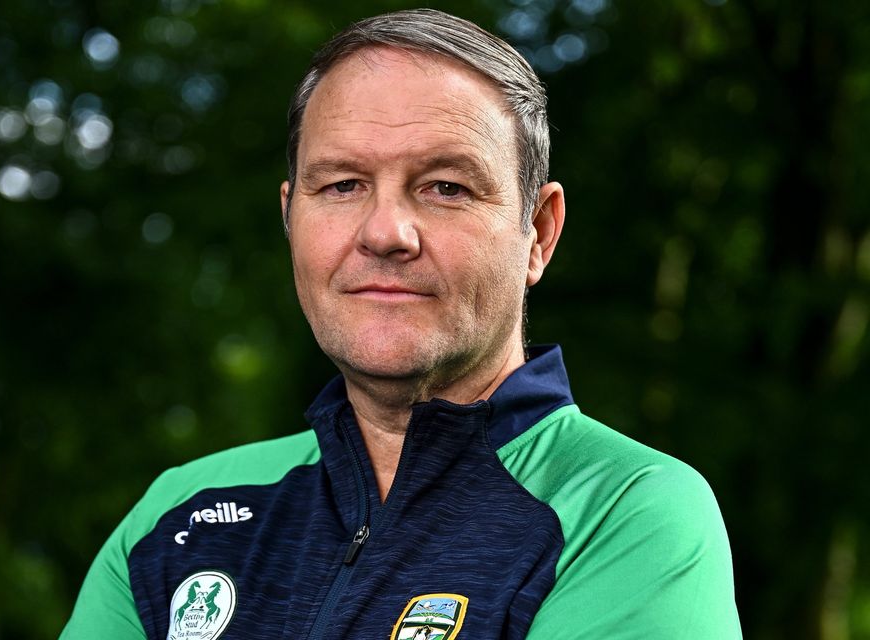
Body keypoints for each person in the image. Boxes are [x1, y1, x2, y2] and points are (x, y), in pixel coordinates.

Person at [61, 9, 741, 639]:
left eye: (446, 187)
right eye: (342, 185)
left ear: (538, 232)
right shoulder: (178, 514)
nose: (385, 232)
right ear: (290, 217)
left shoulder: (624, 511)